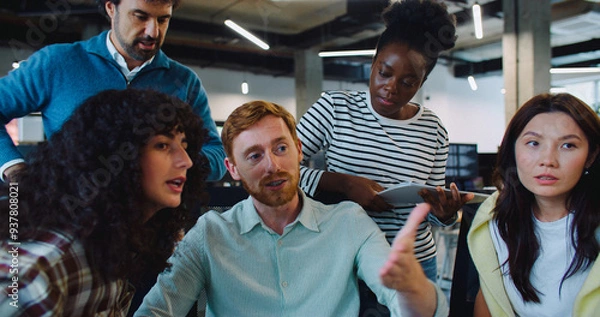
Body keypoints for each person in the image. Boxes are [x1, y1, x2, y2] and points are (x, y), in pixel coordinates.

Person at [134, 100, 448, 317]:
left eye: (281, 148)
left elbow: (406, 304)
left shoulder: (348, 222)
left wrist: (412, 288)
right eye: (254, 156)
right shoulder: (210, 234)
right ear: (233, 168)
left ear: (298, 151)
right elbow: (157, 310)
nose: (273, 166)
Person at [296, 0, 472, 282]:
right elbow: (281, 169)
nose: (390, 88)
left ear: (422, 82)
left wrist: (446, 214)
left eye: (407, 82)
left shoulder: (434, 129)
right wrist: (344, 183)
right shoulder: (335, 108)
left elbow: (429, 210)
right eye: (385, 72)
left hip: (413, 263)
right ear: (372, 64)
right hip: (347, 259)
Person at [0, 88, 209, 316]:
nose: (186, 161)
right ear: (111, 155)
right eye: (162, 145)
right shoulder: (38, 271)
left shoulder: (108, 244)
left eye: (185, 146)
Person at [0, 0, 226, 183]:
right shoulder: (56, 63)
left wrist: (169, 162)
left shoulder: (183, 81)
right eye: (140, 16)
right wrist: (14, 167)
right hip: (71, 217)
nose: (153, 32)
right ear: (111, 8)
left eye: (163, 19)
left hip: (156, 227)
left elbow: (215, 153)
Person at [467, 93, 600, 317]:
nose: (548, 160)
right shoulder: (495, 218)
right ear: (513, 150)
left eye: (568, 145)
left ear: (591, 156)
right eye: (533, 143)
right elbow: (489, 297)